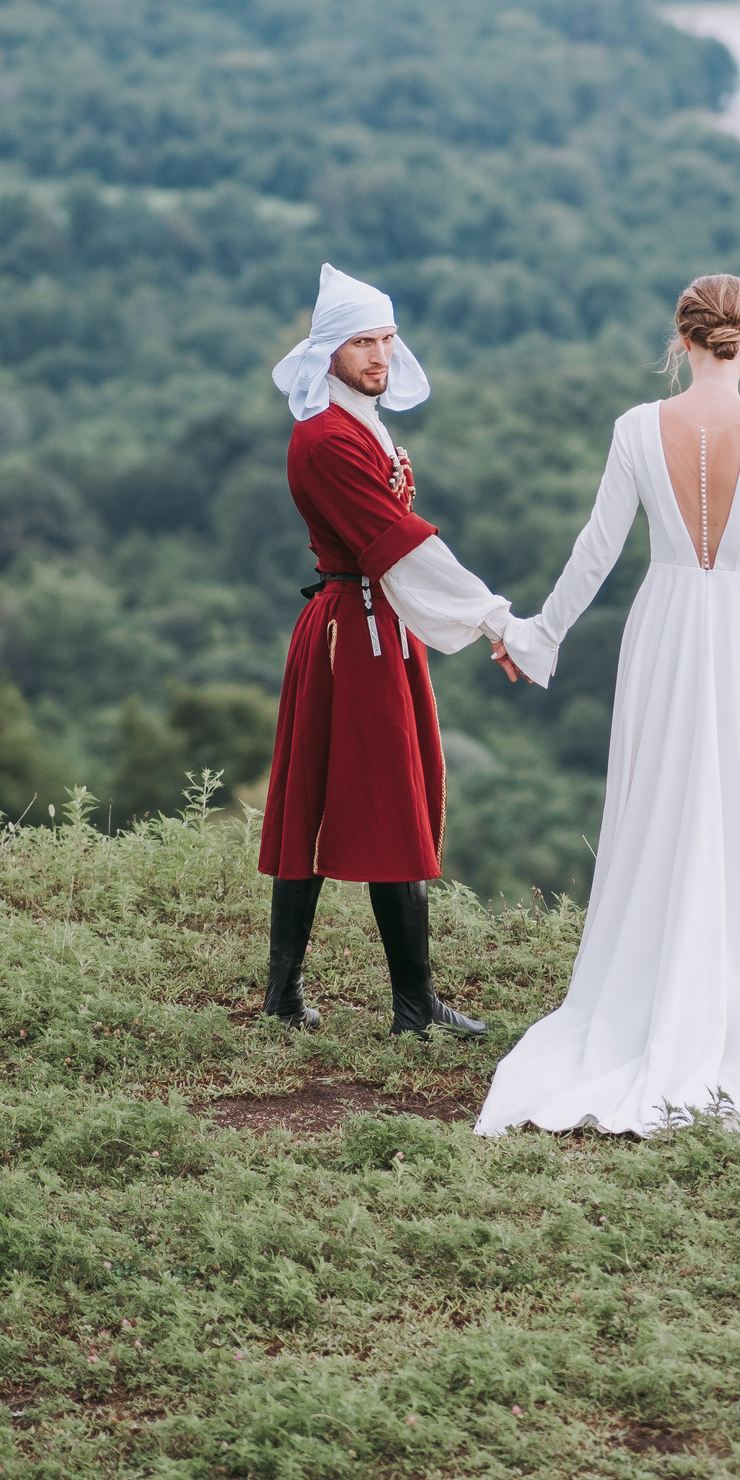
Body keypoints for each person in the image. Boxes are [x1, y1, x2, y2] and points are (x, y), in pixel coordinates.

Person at [475, 273, 740, 1136]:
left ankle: (654, 988)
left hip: (664, 632)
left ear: (682, 340)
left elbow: (596, 551)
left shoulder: (633, 428)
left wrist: (538, 635)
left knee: (667, 802)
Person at [257, 263, 522, 1039]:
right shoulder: (327, 439)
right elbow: (399, 546)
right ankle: (385, 1006)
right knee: (354, 803)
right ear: (329, 349)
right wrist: (493, 618)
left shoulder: (358, 424)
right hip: (355, 631)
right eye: (362, 341)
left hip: (374, 625)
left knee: (386, 799)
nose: (379, 355)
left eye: (386, 339)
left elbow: (396, 549)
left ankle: (384, 1002)